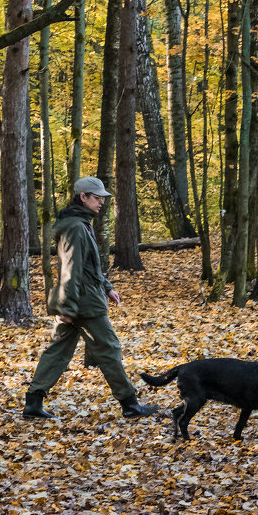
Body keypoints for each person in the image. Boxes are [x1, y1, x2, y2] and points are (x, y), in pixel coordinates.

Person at [23, 176, 159, 420]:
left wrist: (107, 286)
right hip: (83, 303)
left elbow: (89, 266)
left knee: (58, 350)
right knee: (109, 348)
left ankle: (33, 402)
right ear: (83, 197)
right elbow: (71, 268)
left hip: (80, 299)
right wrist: (67, 306)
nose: (101, 203)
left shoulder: (80, 223)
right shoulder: (76, 226)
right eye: (96, 198)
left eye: (102, 199)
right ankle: (130, 404)